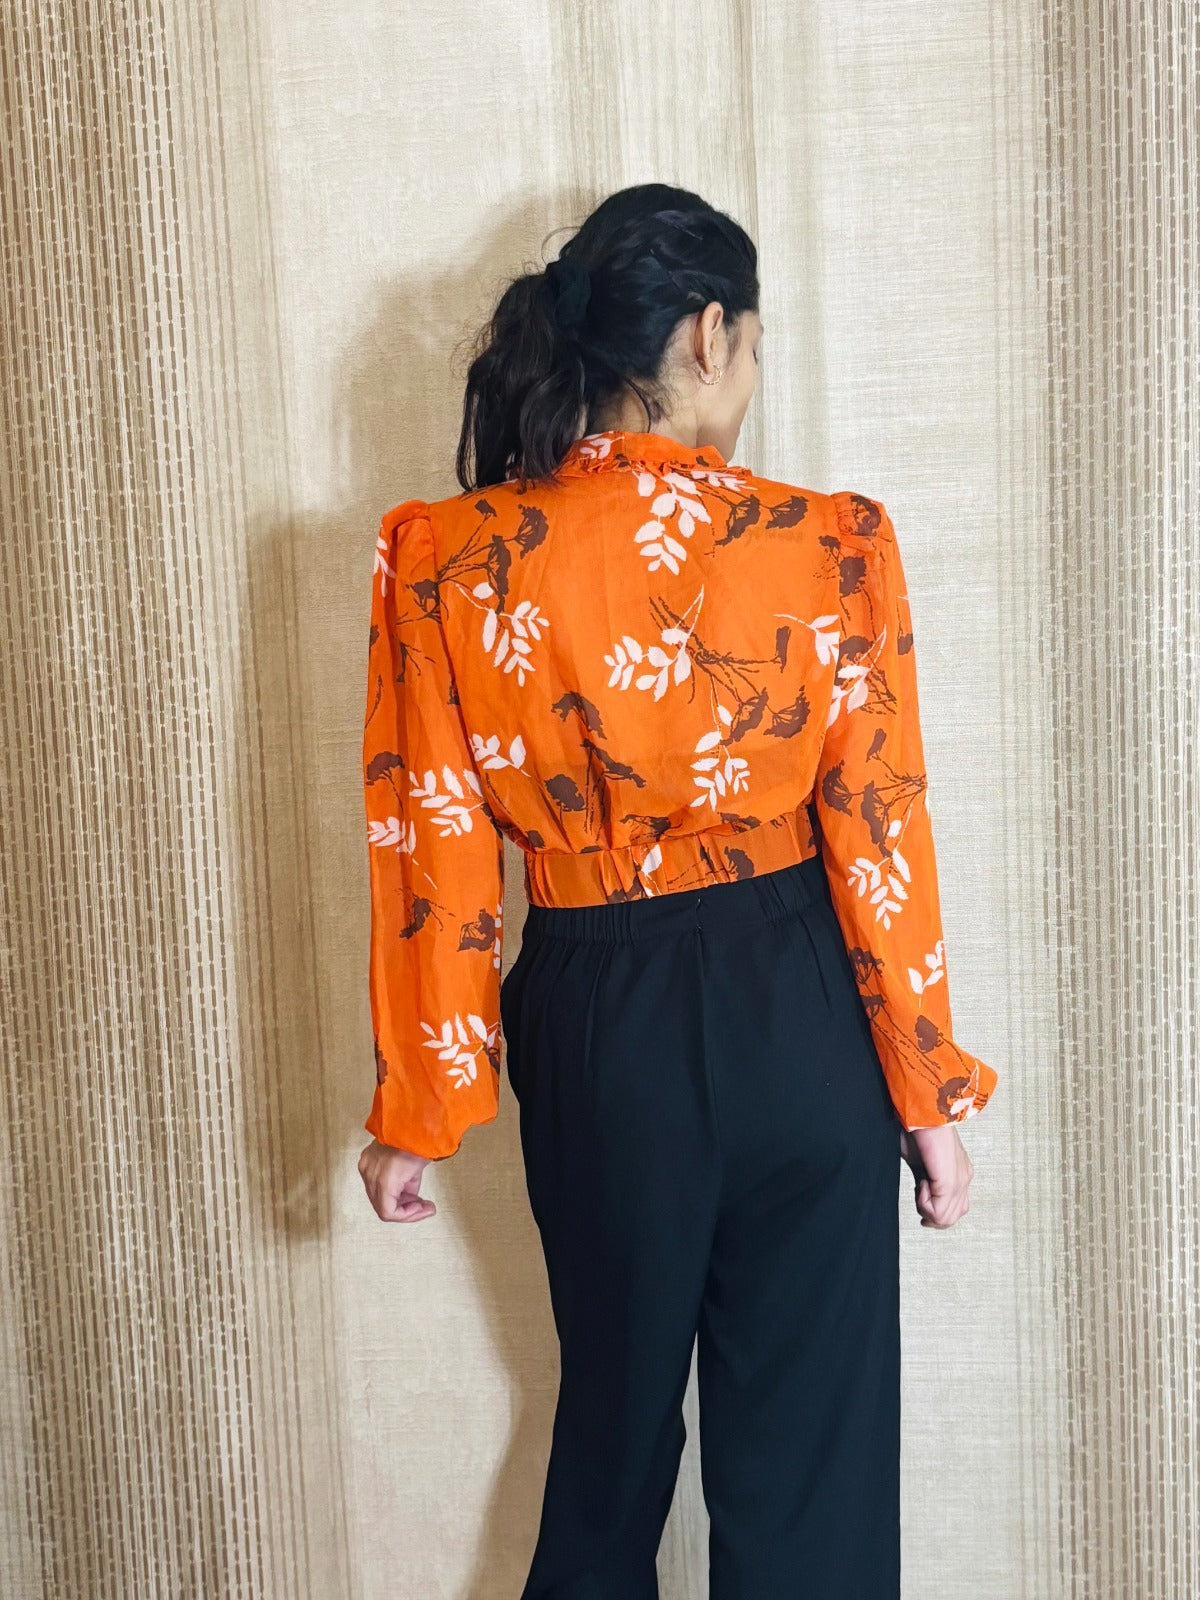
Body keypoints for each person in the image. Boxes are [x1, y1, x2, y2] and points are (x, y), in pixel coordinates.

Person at [357, 182, 999, 1598]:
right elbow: (878, 830)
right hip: (801, 1007)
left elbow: (435, 844)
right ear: (708, 337)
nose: (750, 379)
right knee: (812, 1484)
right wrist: (927, 1091)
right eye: (754, 346)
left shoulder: (449, 562)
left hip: (598, 1018)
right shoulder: (831, 543)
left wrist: (425, 1104)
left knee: (610, 1452)